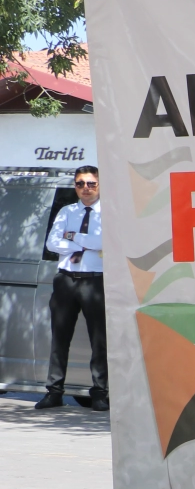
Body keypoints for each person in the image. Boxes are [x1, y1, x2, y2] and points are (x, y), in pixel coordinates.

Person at [36, 165, 107, 411]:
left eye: (91, 183)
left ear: (100, 184)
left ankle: (100, 393)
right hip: (66, 279)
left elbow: (104, 241)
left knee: (99, 339)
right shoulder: (67, 211)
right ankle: (54, 392)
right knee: (60, 337)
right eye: (80, 184)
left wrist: (73, 236)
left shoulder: (108, 213)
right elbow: (52, 243)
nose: (85, 188)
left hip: (96, 280)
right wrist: (85, 244)